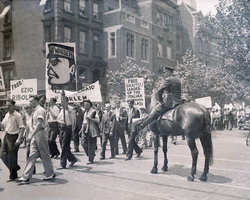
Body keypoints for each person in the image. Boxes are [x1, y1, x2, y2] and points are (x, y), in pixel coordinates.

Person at [18, 96, 55, 184]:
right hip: (35, 135)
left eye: (31, 101)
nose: (29, 103)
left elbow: (39, 124)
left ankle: (50, 174)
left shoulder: (40, 110)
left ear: (36, 101)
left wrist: (31, 135)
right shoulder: (34, 111)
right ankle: (26, 176)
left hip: (40, 134)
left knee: (45, 155)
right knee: (32, 155)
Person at [0, 99, 25, 182]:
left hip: (14, 136)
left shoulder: (17, 115)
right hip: (6, 136)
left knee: (12, 157)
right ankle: (15, 167)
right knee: (2, 154)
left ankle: (13, 176)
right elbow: (2, 125)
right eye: (7, 105)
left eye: (9, 105)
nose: (7, 107)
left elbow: (22, 127)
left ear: (14, 106)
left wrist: (19, 138)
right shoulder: (7, 115)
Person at [57, 96, 78, 169]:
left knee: (64, 146)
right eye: (61, 100)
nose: (62, 102)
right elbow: (58, 119)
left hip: (68, 128)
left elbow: (72, 118)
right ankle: (72, 159)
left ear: (67, 101)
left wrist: (66, 107)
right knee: (63, 146)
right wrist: (61, 122)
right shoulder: (61, 110)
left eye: (63, 100)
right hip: (62, 128)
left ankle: (63, 164)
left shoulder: (70, 109)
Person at [81, 99, 100, 164]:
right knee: (83, 143)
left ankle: (90, 159)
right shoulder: (85, 112)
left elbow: (97, 120)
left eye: (86, 105)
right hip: (84, 127)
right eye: (84, 105)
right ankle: (91, 154)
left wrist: (90, 119)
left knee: (91, 144)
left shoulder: (93, 111)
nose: (85, 106)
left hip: (91, 129)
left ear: (90, 105)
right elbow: (84, 121)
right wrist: (81, 129)